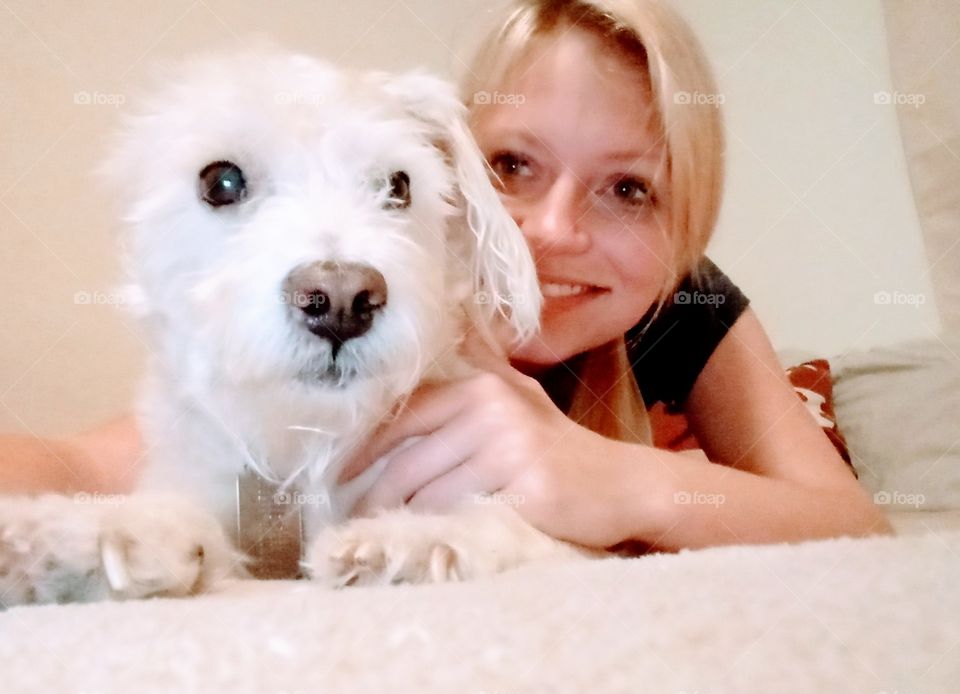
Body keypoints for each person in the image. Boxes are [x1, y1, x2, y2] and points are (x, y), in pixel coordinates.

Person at [0, 0, 892, 552]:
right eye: (511, 166)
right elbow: (87, 461)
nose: (553, 231)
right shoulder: (365, 338)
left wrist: (620, 483)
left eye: (629, 189)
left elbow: (851, 524)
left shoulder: (686, 302)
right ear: (447, 178)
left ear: (682, 224)